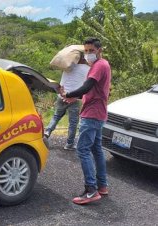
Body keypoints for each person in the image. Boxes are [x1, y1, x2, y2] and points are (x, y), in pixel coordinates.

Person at [60, 37, 111, 205]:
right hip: (98, 112)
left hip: (92, 114)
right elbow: (92, 91)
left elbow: (88, 86)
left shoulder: (99, 65)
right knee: (96, 149)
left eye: (91, 51)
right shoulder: (102, 65)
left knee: (82, 149)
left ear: (99, 50)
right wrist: (77, 98)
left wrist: (68, 94)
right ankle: (102, 186)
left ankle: (91, 190)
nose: (88, 54)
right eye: (86, 51)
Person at [44, 52, 90, 151]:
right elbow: (87, 85)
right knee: (73, 122)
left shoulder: (68, 67)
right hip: (74, 98)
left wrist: (63, 94)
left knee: (56, 116)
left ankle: (47, 132)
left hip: (62, 95)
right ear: (84, 59)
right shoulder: (87, 69)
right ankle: (69, 144)